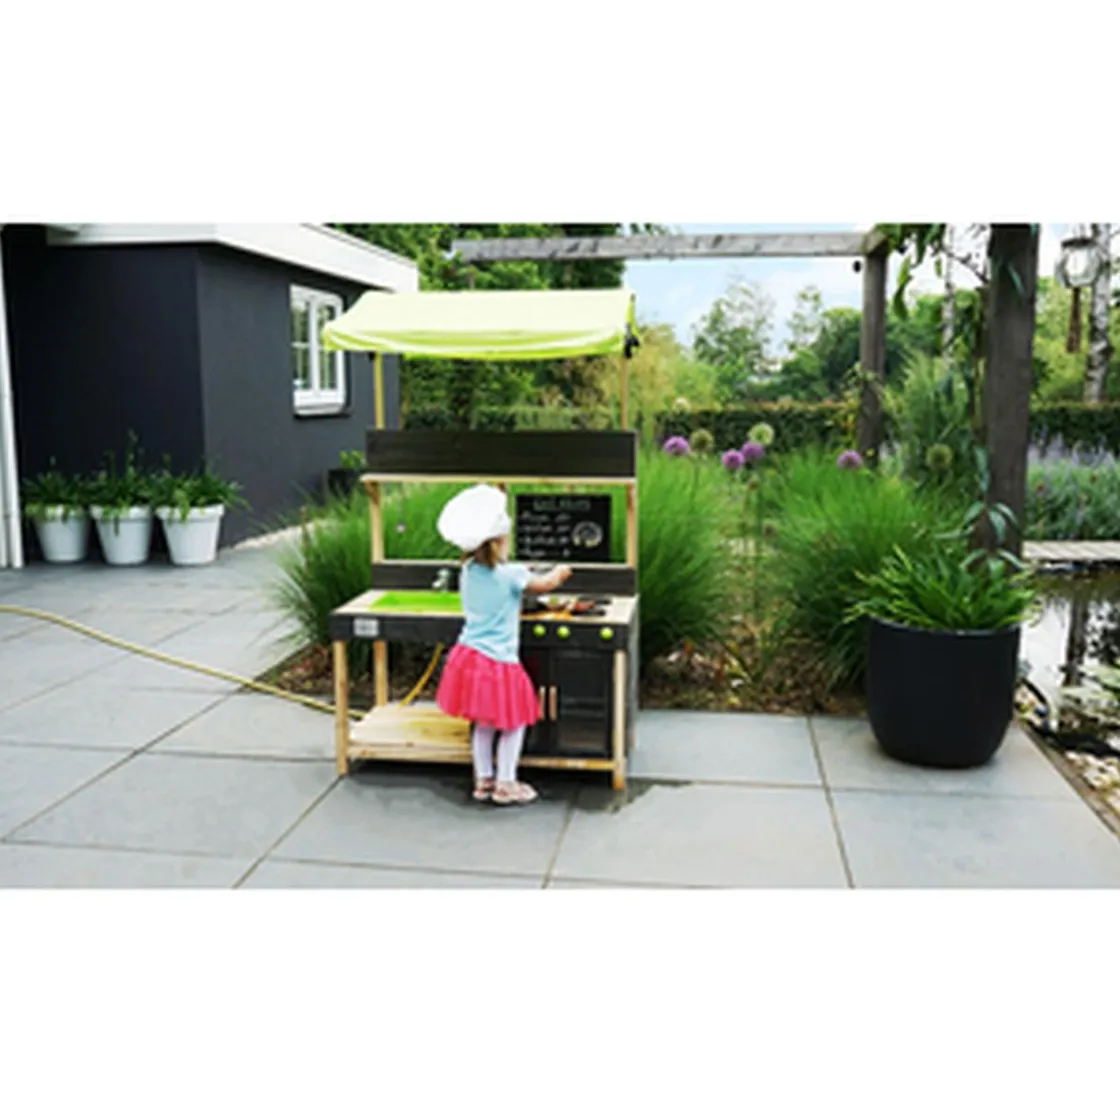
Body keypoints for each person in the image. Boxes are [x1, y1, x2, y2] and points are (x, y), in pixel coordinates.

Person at [435, 484, 571, 806]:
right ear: (500, 541)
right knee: (514, 722)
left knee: (483, 723)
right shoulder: (512, 574)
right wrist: (561, 572)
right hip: (499, 661)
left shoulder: (468, 571)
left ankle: (483, 780)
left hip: (470, 657)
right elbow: (545, 585)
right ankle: (506, 783)